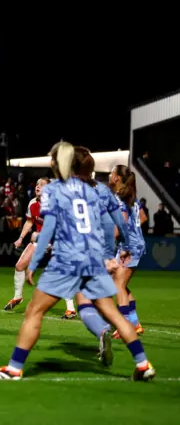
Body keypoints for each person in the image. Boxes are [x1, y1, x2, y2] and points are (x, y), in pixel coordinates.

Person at [0, 141, 155, 381]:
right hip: (93, 259)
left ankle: (13, 368)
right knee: (113, 314)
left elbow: (48, 229)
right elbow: (116, 220)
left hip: (67, 259)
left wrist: (33, 264)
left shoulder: (55, 189)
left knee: (34, 311)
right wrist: (123, 246)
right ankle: (143, 363)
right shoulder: (99, 189)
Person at [70, 146, 131, 366]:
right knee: (103, 303)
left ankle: (103, 332)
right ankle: (140, 357)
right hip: (107, 256)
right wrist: (124, 246)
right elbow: (120, 222)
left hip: (85, 255)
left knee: (83, 302)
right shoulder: (104, 191)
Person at [109, 165, 147, 338]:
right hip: (134, 244)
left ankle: (124, 325)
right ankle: (134, 323)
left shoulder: (119, 197)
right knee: (118, 283)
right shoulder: (130, 195)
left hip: (128, 247)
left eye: (111, 173)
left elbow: (121, 224)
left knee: (118, 285)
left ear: (117, 178)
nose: (109, 175)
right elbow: (143, 217)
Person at [4, 177, 49, 311]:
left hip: (56, 241)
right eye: (37, 184)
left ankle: (70, 309)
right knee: (19, 266)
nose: (38, 186)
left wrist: (40, 236)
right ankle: (17, 296)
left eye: (42, 184)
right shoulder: (33, 204)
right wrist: (21, 238)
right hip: (39, 241)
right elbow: (29, 222)